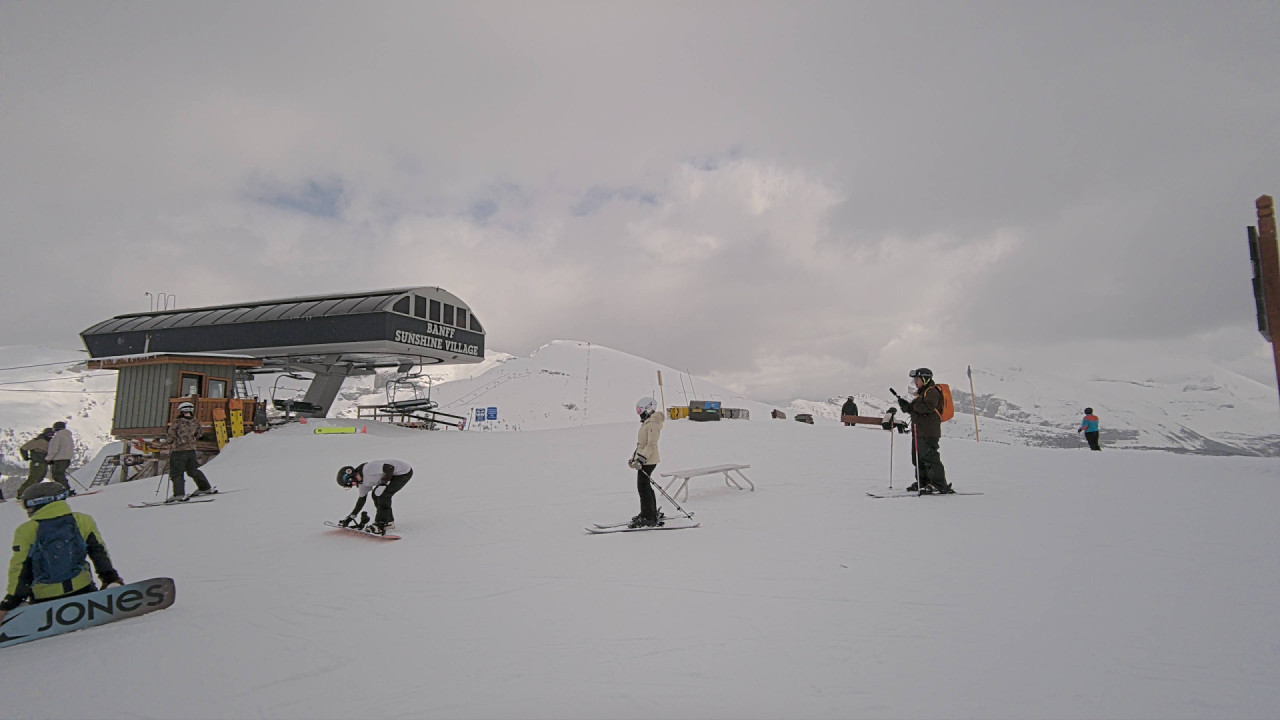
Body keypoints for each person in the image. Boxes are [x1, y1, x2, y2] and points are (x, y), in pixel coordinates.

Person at [0, 481, 123, 623]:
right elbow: (98, 554)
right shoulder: (82, 520)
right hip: (84, 591)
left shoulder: (26, 530)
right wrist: (111, 579)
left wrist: (9, 603)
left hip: (45, 600)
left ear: (36, 505)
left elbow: (21, 569)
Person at [896, 368, 955, 494]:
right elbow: (917, 410)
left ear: (925, 379)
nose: (915, 382)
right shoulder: (922, 393)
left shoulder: (932, 392)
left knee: (930, 458)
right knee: (918, 458)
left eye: (917, 379)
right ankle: (923, 482)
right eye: (915, 380)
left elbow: (927, 407)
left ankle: (939, 485)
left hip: (929, 432)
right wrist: (906, 406)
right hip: (920, 431)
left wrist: (911, 406)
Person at [336, 459, 413, 535]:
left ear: (352, 476)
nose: (353, 485)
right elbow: (361, 500)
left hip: (403, 472)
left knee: (383, 495)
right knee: (376, 495)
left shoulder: (368, 469)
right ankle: (388, 521)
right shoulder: (362, 483)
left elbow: (389, 468)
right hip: (392, 475)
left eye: (350, 483)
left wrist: (383, 484)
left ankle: (381, 524)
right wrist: (351, 516)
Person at [161, 401, 217, 502]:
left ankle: (179, 494)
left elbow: (171, 436)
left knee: (177, 473)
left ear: (181, 411)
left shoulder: (177, 422)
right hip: (191, 451)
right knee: (193, 470)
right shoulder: (195, 422)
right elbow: (199, 434)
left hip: (178, 451)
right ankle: (204, 487)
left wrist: (166, 443)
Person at [628, 396, 665, 528]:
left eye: (640, 410)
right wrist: (635, 458)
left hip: (649, 460)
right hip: (646, 459)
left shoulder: (652, 424)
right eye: (637, 411)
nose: (639, 413)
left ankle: (648, 516)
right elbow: (641, 445)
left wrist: (641, 460)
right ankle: (650, 512)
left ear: (649, 409)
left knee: (643, 487)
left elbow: (651, 444)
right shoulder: (648, 423)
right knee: (645, 486)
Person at [17, 428, 54, 498]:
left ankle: (30, 493)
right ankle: (22, 493)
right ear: (45, 434)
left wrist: (50, 460)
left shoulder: (50, 442)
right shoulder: (38, 441)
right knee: (34, 478)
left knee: (39, 478)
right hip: (37, 463)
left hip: (44, 463)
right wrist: (26, 457)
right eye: (49, 435)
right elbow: (23, 448)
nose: (50, 436)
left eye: (52, 435)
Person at [45, 421, 74, 490]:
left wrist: (48, 459)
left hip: (59, 459)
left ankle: (65, 490)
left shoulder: (57, 437)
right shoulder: (69, 437)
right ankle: (65, 489)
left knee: (57, 475)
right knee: (60, 474)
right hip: (67, 459)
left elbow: (53, 449)